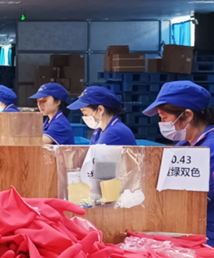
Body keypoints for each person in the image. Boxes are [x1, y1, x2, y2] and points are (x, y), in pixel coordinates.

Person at [144, 81, 214, 244]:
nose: (161, 122)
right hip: (189, 225)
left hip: (207, 231)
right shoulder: (184, 144)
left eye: (164, 117)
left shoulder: (209, 148)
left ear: (187, 115)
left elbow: (198, 196)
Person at [68, 86, 136, 145]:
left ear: (100, 110)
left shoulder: (113, 133)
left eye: (85, 112)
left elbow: (96, 155)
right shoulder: (99, 130)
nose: (84, 116)